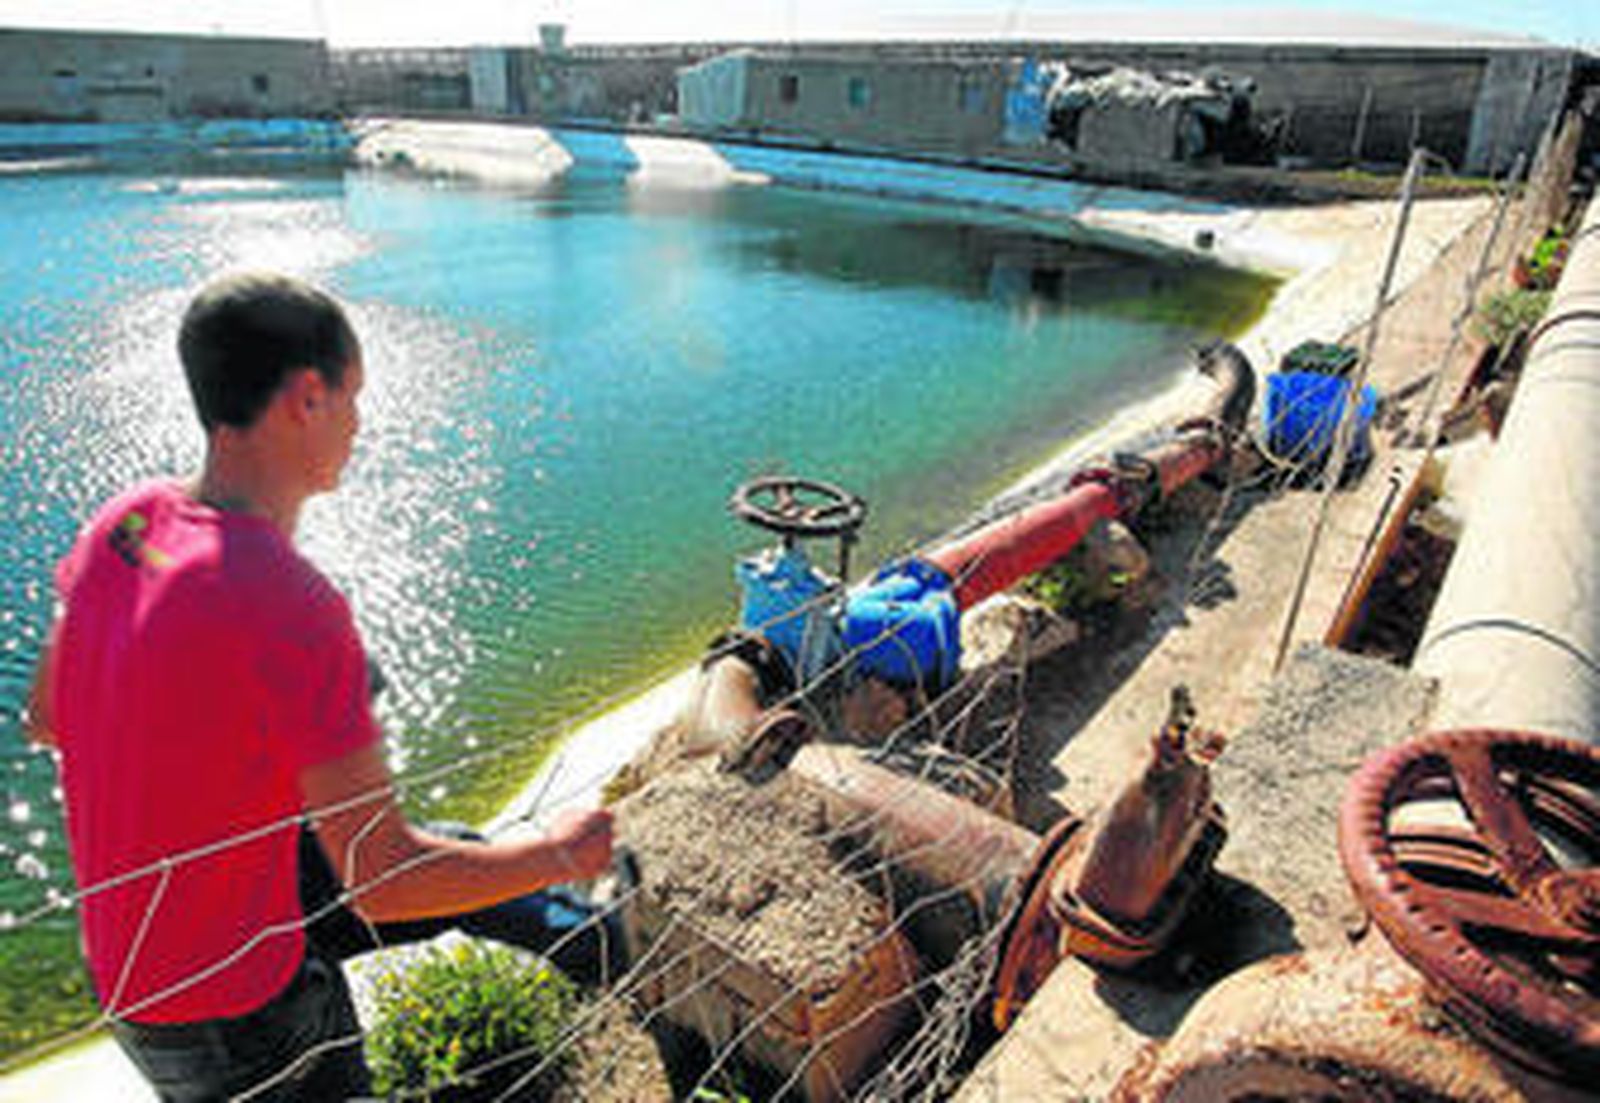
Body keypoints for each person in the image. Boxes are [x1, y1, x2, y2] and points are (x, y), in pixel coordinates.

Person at [25, 272, 615, 1101]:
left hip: (128, 971)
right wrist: (562, 850)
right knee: (439, 867)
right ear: (309, 396)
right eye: (354, 396)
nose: (361, 424)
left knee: (453, 840)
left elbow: (47, 717)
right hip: (240, 1011)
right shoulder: (292, 603)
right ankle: (597, 926)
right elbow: (384, 874)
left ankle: (601, 947)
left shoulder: (126, 519)